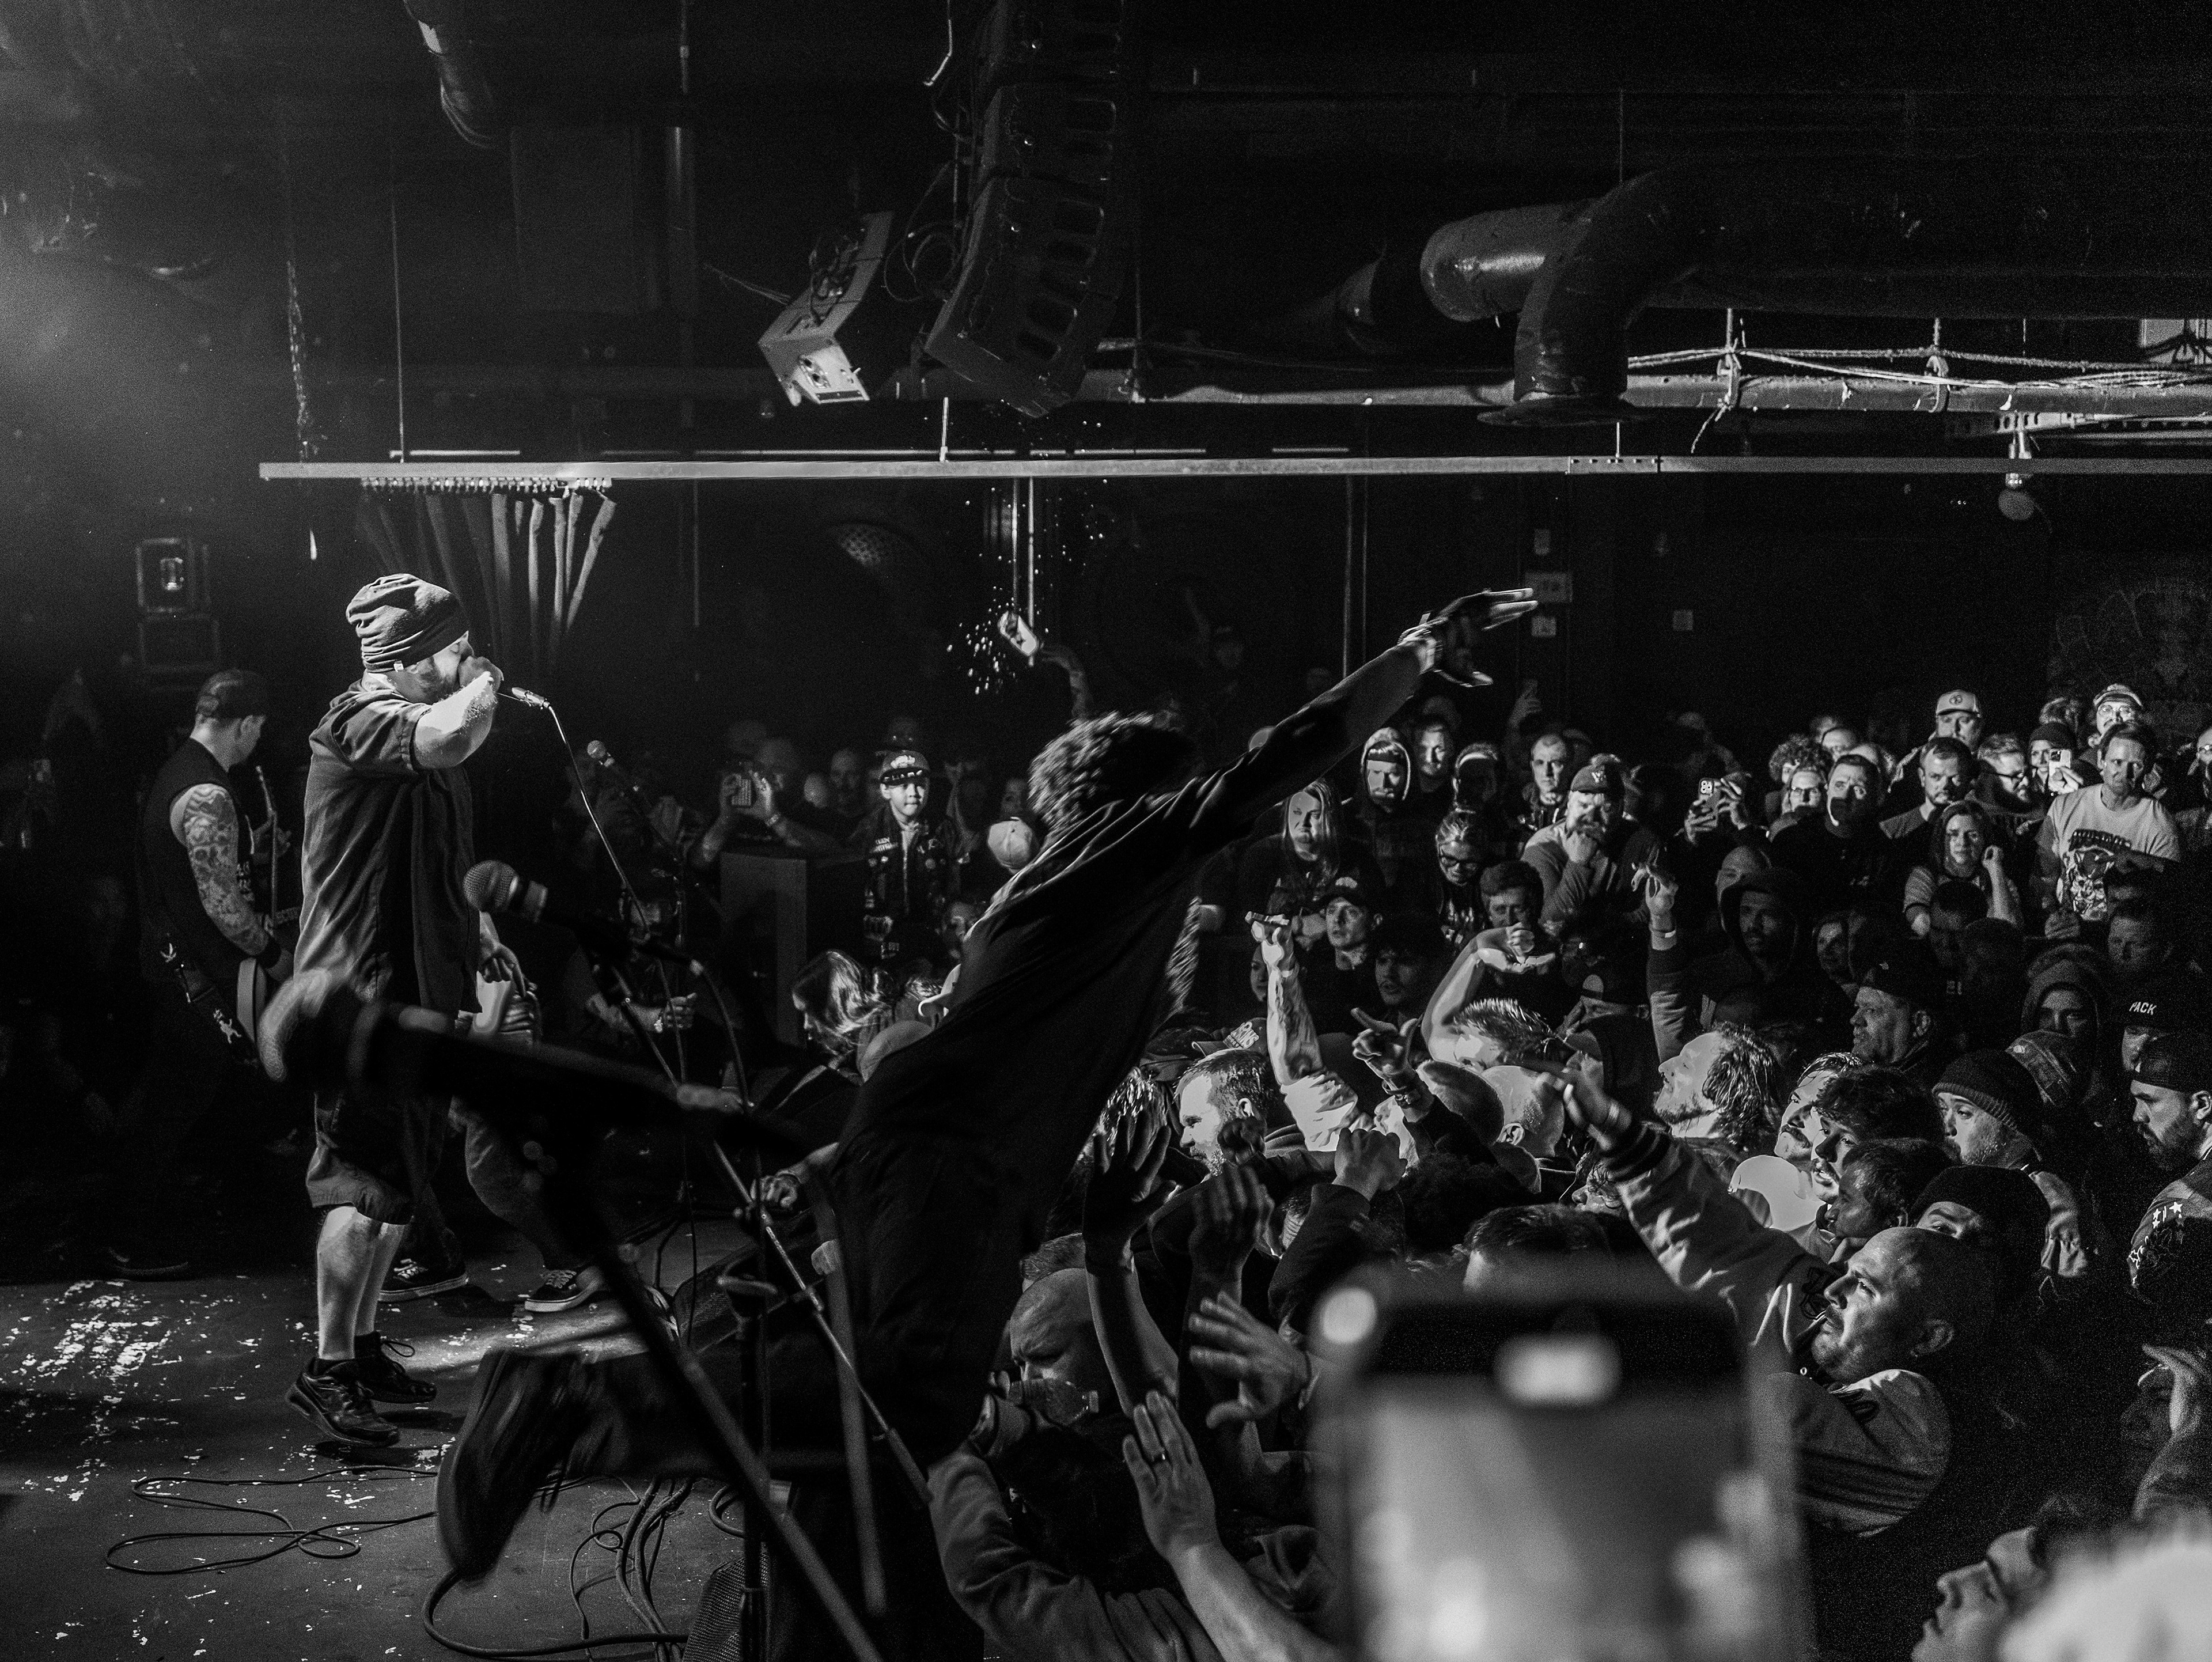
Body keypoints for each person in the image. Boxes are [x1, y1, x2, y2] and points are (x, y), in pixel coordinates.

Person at [436, 590, 1537, 1592]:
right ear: (1147, 797)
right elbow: (1295, 747)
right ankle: (572, 1407)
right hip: (955, 1157)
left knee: (860, 1374)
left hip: (930, 1142)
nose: (1206, 802)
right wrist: (1418, 651)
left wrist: (840, 1162)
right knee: (921, 1393)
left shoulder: (1063, 879)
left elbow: (966, 1015)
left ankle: (648, 1451)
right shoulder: (1132, 844)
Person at [1533, 1059, 2006, 1662]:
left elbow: (1776, 1417)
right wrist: (1618, 1130)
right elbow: (1717, 1239)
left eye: (1864, 1287)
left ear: (1929, 1338)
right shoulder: (1823, 1314)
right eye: (1846, 1271)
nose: (1834, 1290)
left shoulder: (1923, 1420)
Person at [284, 574, 517, 1447]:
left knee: (399, 1185)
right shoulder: (360, 719)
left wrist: (477, 927)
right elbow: (452, 735)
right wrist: (487, 681)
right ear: (413, 661)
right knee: (357, 1182)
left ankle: (361, 1343)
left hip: (421, 984)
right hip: (359, 993)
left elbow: (441, 846)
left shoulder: (418, 725)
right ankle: (328, 1368)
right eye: (456, 650)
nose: (468, 660)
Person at [109, 668, 288, 1278]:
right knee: (171, 1107)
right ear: (248, 724)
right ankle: (128, 1237)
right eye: (257, 731)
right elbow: (222, 905)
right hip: (195, 976)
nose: (256, 743)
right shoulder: (209, 793)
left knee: (183, 1099)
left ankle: (150, 1222)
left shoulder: (177, 772)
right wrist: (274, 954)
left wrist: (252, 846)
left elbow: (193, 869)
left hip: (174, 965)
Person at [2039, 720, 2179, 938]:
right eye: (2117, 762)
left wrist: (2091, 931)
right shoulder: (2066, 805)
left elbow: (2163, 907)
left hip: (2118, 940)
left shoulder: (2159, 824)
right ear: (2101, 761)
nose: (2124, 773)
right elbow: (2043, 876)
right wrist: (2051, 914)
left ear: (2149, 768)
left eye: (2136, 765)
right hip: (2064, 931)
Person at [851, 746, 959, 966]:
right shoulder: (868, 831)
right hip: (880, 944)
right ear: (885, 790)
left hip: (932, 942)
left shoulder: (944, 829)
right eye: (903, 786)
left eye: (920, 785)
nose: (913, 793)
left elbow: (957, 884)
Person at [1772, 752, 1908, 917]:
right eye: (1839, 785)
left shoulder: (1882, 853)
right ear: (1827, 789)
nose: (1845, 796)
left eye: (1858, 789)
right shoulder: (1792, 842)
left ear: (1875, 799)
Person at [1883, 736, 1978, 843]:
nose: (1945, 785)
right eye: (1936, 776)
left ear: (1968, 779)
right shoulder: (1891, 832)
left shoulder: (1982, 828)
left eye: (1956, 778)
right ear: (1922, 777)